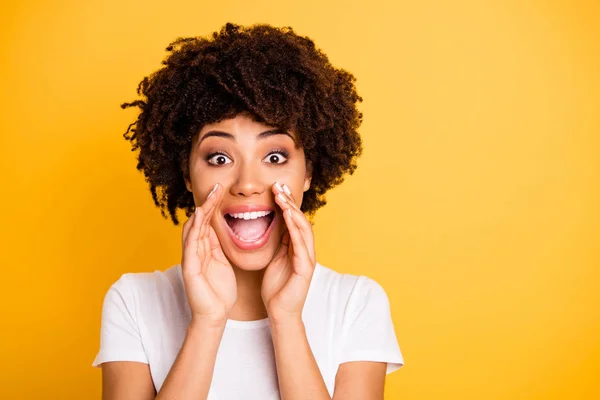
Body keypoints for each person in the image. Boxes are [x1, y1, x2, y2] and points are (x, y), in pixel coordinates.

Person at [92, 22, 404, 400]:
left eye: (275, 156)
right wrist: (207, 322)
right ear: (188, 175)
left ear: (308, 172)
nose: (248, 183)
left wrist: (286, 320)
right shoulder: (134, 301)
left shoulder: (356, 302)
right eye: (219, 157)